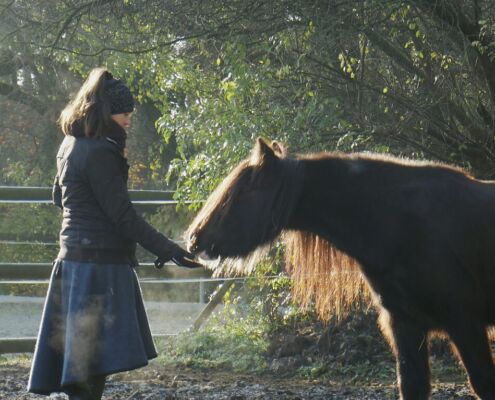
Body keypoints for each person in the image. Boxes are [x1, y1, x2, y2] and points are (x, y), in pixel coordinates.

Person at [28, 67, 199, 399]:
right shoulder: (101, 152)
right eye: (124, 113)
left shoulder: (71, 143)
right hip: (98, 267)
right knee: (90, 370)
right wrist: (170, 249)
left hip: (73, 264)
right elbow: (123, 216)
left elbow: (58, 198)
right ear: (106, 112)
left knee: (81, 366)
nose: (128, 120)